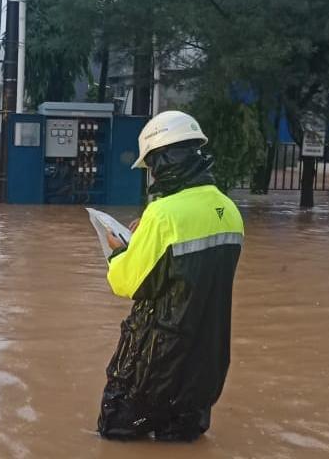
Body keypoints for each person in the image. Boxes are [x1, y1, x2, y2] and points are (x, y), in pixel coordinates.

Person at [98, 110, 243, 442]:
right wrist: (146, 238)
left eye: (150, 165)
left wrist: (121, 251)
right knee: (182, 442)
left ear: (162, 160)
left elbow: (127, 283)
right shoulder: (230, 211)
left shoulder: (162, 214)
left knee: (116, 434)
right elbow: (194, 276)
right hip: (207, 365)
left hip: (154, 363)